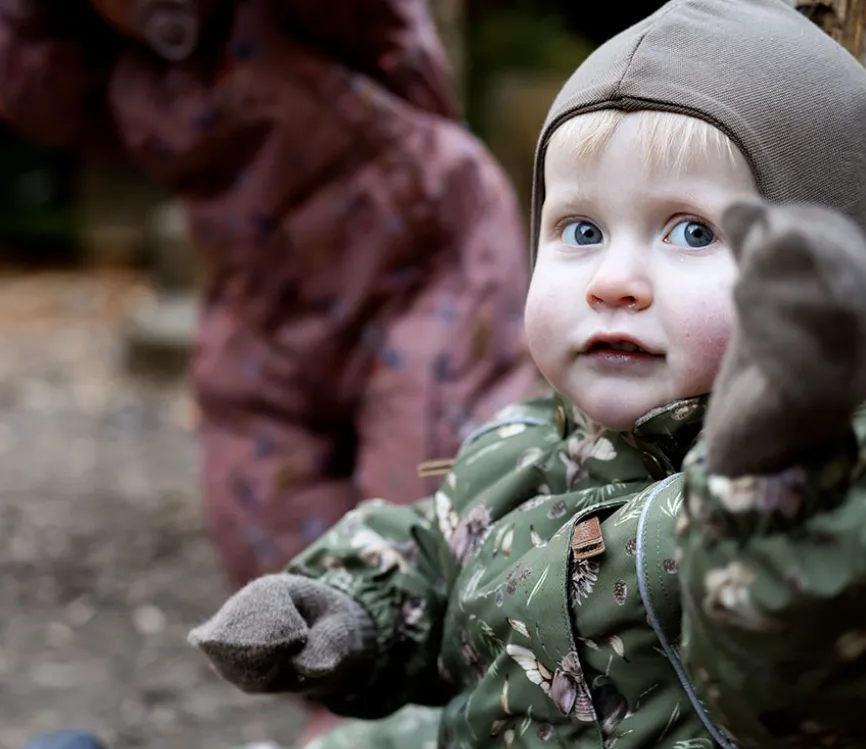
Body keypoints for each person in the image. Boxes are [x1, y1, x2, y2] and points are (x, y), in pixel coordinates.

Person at [2, 2, 866, 749]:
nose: (612, 278)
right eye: (580, 229)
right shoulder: (558, 433)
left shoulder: (846, 503)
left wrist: (785, 487)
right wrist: (356, 604)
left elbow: (835, 654)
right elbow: (445, 538)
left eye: (691, 232)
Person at [0, 0, 537, 589]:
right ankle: (342, 627)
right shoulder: (116, 71)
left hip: (425, 258)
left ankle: (468, 615)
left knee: (427, 494)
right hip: (267, 293)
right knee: (263, 517)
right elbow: (27, 81)